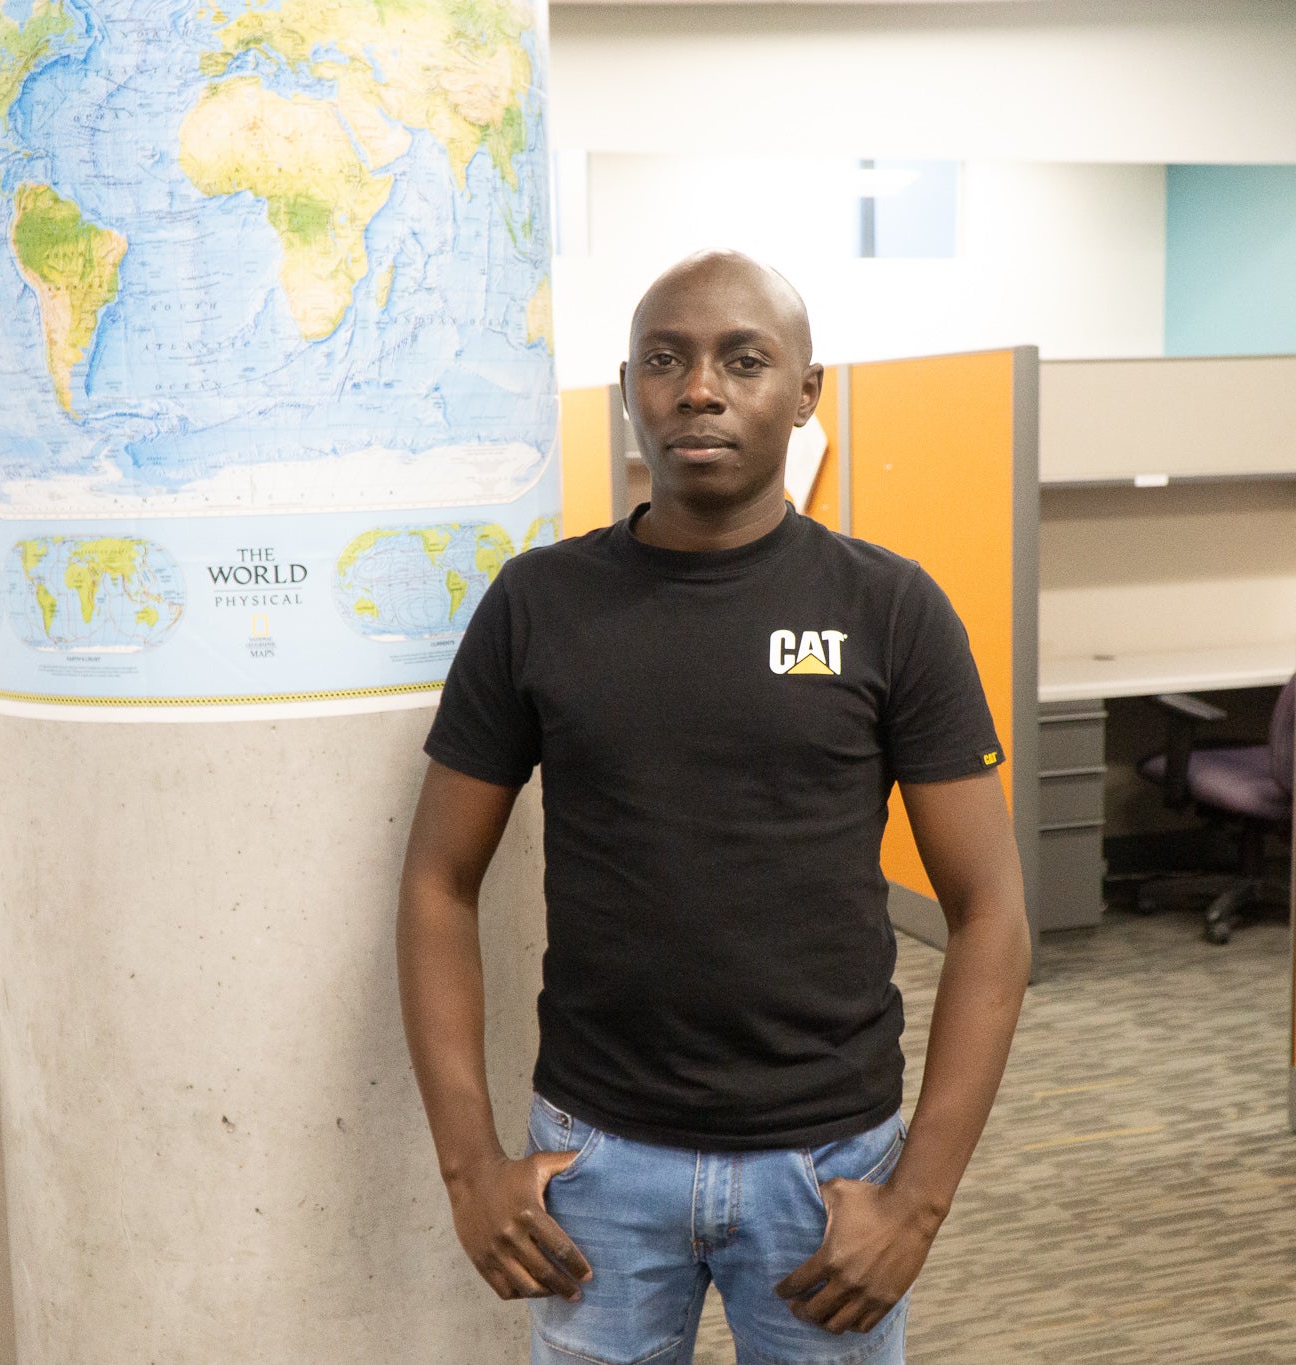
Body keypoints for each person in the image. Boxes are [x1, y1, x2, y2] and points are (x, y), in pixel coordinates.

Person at [398, 250, 1030, 1365]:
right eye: (663, 360)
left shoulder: (890, 609)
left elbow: (989, 913)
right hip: (595, 1168)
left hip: (828, 1169)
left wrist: (918, 1203)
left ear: (803, 394)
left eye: (743, 361)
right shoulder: (538, 605)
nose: (698, 390)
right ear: (630, 390)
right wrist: (468, 1168)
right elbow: (437, 884)